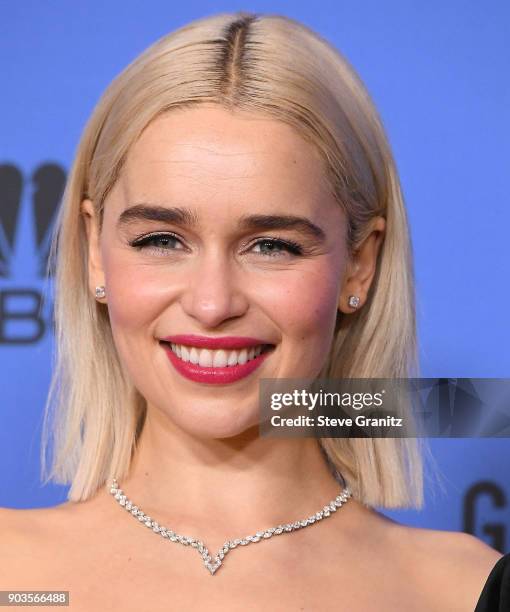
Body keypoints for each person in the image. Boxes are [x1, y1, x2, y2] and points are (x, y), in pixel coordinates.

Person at [0, 11, 506, 611]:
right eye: (161, 240)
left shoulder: (461, 591)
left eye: (272, 246)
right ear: (94, 251)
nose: (213, 304)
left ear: (359, 265)